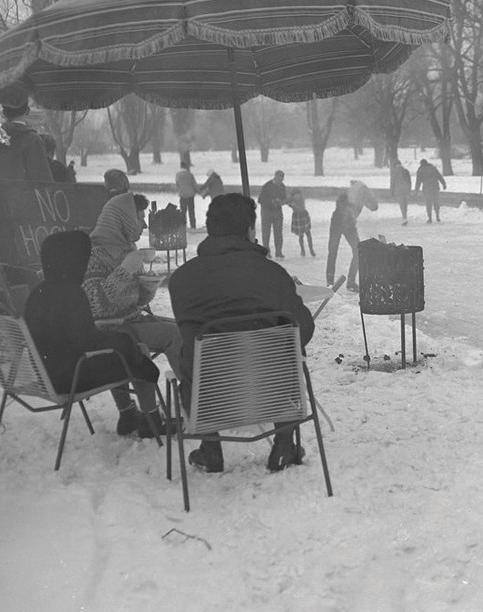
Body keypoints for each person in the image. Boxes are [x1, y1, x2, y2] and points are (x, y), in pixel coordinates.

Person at [168, 193, 315, 473]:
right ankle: (284, 445)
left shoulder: (182, 280)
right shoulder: (273, 274)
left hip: (210, 398)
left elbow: (186, 334)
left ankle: (211, 448)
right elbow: (303, 330)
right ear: (249, 230)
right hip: (273, 394)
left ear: (211, 230)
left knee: (194, 357)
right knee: (288, 352)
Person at [23, 230, 166, 438]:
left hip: (47, 373)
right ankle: (151, 421)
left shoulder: (38, 294)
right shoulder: (70, 293)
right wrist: (125, 342)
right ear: (72, 260)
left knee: (128, 354)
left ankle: (128, 415)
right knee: (139, 356)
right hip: (69, 378)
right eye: (83, 257)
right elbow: (87, 341)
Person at [83, 185, 183, 433]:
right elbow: (95, 302)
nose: (144, 225)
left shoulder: (127, 249)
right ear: (123, 219)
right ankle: (188, 398)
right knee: (175, 335)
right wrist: (126, 270)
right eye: (140, 217)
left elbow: (128, 300)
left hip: (129, 321)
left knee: (178, 327)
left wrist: (146, 289)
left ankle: (128, 414)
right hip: (108, 329)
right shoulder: (92, 253)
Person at [0, 103, 53, 181]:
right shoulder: (32, 140)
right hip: (22, 192)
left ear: (4, 112)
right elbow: (43, 180)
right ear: (27, 111)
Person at [327, 192, 360, 292]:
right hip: (337, 223)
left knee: (358, 250)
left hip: (349, 225)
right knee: (332, 252)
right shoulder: (337, 214)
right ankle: (330, 283)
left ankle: (351, 281)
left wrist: (351, 223)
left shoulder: (352, 209)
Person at [258, 169, 287, 258]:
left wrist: (282, 201)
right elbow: (260, 199)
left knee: (278, 232)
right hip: (266, 211)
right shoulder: (266, 186)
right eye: (279, 180)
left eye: (282, 180)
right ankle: (267, 251)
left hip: (277, 211)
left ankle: (278, 251)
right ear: (275, 177)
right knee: (266, 232)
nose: (280, 182)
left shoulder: (282, 187)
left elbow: (284, 198)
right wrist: (272, 201)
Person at [415, 158, 447, 223]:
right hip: (435, 188)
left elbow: (418, 181)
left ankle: (430, 218)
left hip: (427, 189)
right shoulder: (433, 168)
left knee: (428, 204)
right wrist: (444, 184)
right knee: (436, 202)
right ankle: (437, 216)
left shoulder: (420, 170)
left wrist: (416, 190)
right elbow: (439, 176)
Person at [288, 188, 315, 257]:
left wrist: (293, 204)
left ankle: (310, 249)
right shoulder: (293, 200)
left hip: (302, 215)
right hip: (298, 216)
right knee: (302, 235)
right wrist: (291, 204)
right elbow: (289, 203)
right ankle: (304, 250)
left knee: (306, 234)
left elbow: (301, 208)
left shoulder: (300, 199)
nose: (297, 197)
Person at [175, 161, 198, 229]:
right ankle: (193, 226)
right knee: (191, 212)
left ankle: (183, 226)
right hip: (190, 196)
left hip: (182, 196)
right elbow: (194, 184)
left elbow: (177, 184)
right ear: (186, 167)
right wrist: (197, 191)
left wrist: (180, 191)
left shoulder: (178, 175)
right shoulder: (189, 174)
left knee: (183, 212)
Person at [390, 159, 412, 225]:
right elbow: (409, 182)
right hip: (406, 190)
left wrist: (392, 192)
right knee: (405, 204)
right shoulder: (406, 171)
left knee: (402, 205)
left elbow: (392, 182)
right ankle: (405, 216)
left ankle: (404, 218)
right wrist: (409, 190)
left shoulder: (394, 172)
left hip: (398, 190)